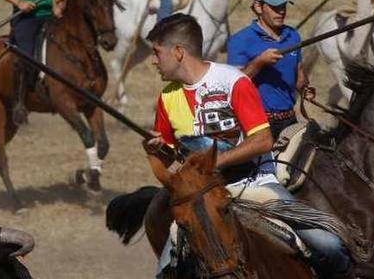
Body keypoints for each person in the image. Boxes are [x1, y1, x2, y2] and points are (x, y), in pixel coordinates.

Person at [143, 14, 353, 279]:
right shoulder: (167, 98)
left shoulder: (234, 82)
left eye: (157, 52)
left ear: (178, 52)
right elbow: (169, 165)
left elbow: (262, 140)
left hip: (254, 185)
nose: (153, 60)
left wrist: (215, 162)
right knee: (164, 274)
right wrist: (155, 150)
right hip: (204, 199)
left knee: (330, 245)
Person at [227, 0, 313, 139]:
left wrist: (305, 88)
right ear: (258, 7)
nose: (281, 12)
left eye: (284, 6)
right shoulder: (240, 40)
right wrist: (259, 62)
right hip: (256, 123)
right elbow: (232, 87)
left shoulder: (293, 35)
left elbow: (299, 74)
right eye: (275, 7)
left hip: (290, 120)